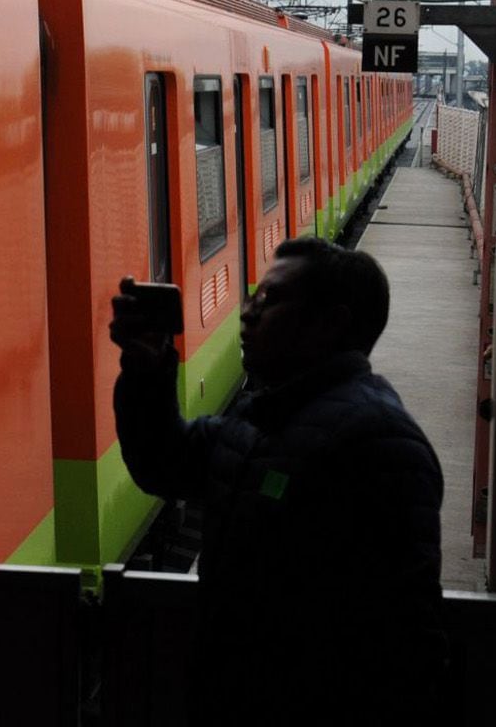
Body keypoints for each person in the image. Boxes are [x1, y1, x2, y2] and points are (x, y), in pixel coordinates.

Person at [111, 236, 446, 722]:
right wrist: (146, 368)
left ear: (332, 323)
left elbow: (408, 647)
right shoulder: (256, 422)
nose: (247, 314)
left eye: (270, 300)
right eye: (252, 298)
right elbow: (164, 461)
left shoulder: (383, 445)